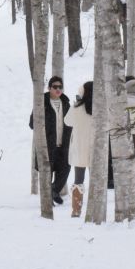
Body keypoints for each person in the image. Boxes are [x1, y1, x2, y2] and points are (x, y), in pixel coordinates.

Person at [29, 76, 71, 205]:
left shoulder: (66, 103)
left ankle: (54, 190)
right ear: (49, 88)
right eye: (55, 87)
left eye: (60, 87)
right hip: (47, 145)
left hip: (63, 145)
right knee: (47, 172)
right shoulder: (41, 103)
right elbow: (32, 124)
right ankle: (48, 200)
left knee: (66, 167)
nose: (58, 89)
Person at [64, 81, 94, 218]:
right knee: (96, 180)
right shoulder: (100, 108)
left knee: (78, 179)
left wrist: (76, 103)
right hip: (95, 149)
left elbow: (67, 121)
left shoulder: (76, 107)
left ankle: (76, 210)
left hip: (79, 148)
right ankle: (96, 209)